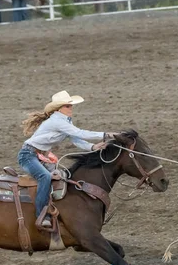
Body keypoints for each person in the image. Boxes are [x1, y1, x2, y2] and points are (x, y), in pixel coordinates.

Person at [18, 90, 116, 229]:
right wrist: (106, 134)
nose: (71, 108)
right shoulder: (57, 121)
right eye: (67, 106)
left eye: (70, 106)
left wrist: (93, 147)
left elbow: (75, 138)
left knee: (62, 177)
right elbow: (79, 133)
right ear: (58, 109)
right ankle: (41, 215)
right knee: (45, 177)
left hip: (40, 156)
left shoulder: (64, 121)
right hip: (28, 156)